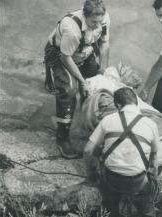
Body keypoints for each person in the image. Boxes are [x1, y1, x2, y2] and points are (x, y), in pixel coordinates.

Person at [83, 87, 161, 217]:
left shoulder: (107, 120)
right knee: (147, 211)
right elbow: (154, 160)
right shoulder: (151, 124)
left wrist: (91, 173)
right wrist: (154, 179)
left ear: (118, 105)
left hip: (112, 178)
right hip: (137, 181)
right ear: (136, 103)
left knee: (110, 208)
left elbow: (87, 150)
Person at [44, 0, 110, 159]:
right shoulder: (72, 28)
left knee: (96, 84)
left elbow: (104, 43)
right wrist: (81, 81)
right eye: (93, 22)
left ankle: (89, 124)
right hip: (61, 54)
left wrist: (103, 69)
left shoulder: (104, 19)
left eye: (100, 21)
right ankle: (62, 138)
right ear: (84, 15)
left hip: (84, 50)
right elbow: (66, 58)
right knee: (68, 91)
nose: (97, 25)